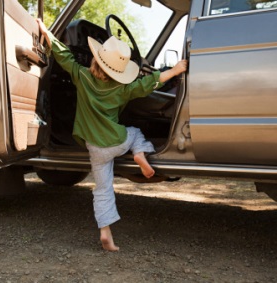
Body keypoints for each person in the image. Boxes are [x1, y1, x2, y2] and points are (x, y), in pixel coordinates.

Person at [36, 18, 187, 251]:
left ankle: (106, 233)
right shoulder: (124, 88)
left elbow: (64, 56)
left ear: (96, 59)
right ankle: (141, 154)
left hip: (95, 148)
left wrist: (47, 32)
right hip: (118, 141)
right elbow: (150, 82)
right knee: (136, 133)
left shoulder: (82, 76)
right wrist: (176, 70)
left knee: (103, 188)